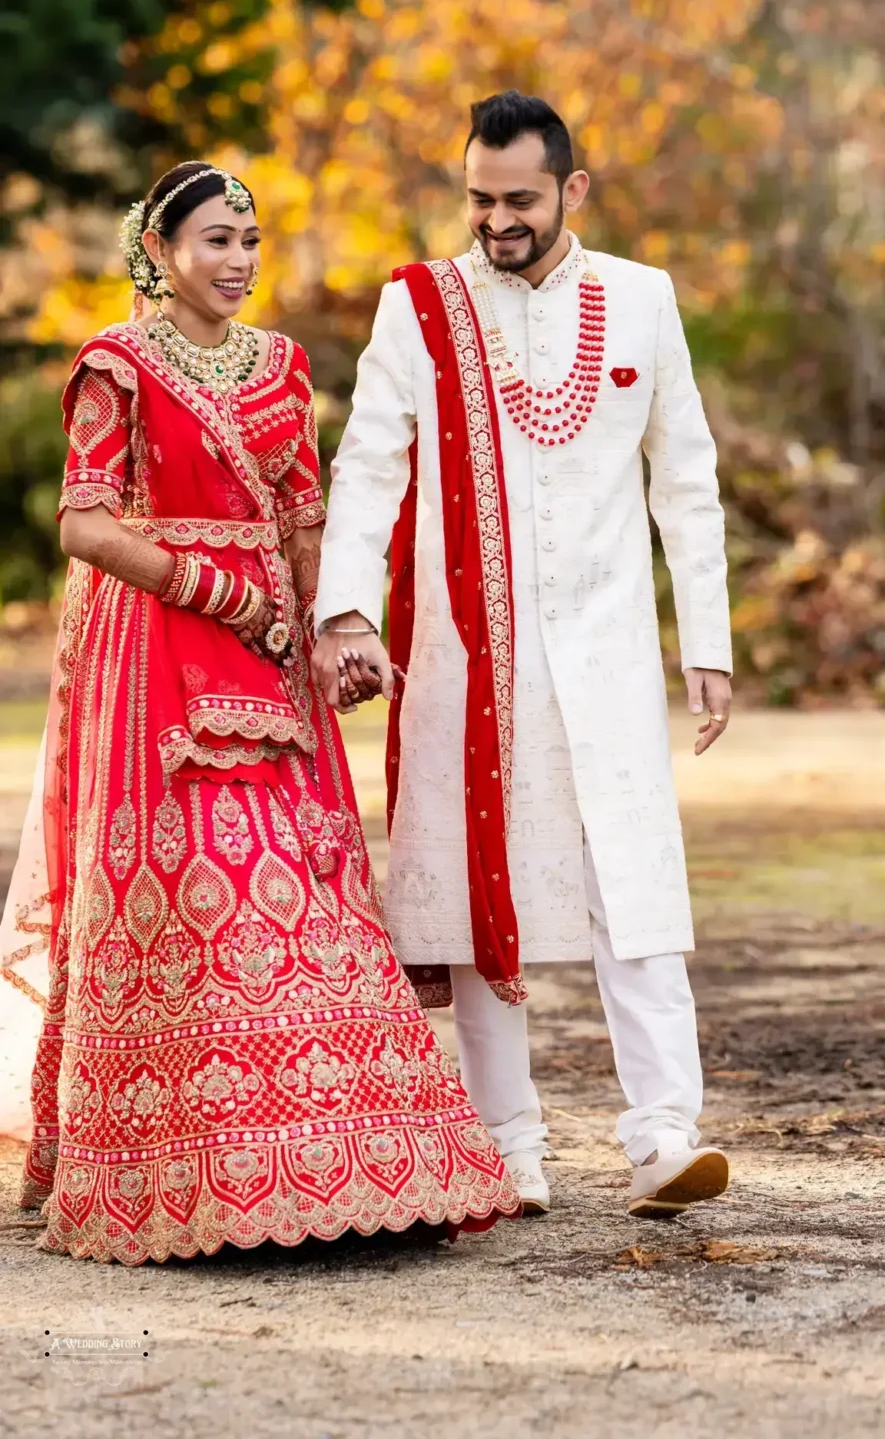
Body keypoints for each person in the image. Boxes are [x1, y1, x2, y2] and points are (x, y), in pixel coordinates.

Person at [0, 160, 519, 1263]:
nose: (237, 262)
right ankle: (182, 1174)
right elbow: (85, 527)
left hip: (273, 656)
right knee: (192, 883)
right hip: (155, 651)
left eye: (249, 241)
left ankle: (356, 1162)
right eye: (215, 242)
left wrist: (333, 632)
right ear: (160, 249)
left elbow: (301, 516)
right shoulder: (118, 367)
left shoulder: (282, 367)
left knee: (308, 887)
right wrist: (215, 588)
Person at [312, 92, 734, 1218]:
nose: (493, 221)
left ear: (572, 190)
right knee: (465, 885)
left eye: (517, 201)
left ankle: (662, 1136)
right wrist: (347, 610)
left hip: (604, 651)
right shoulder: (421, 309)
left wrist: (709, 642)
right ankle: (507, 1144)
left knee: (631, 883)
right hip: (461, 650)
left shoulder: (641, 301)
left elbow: (682, 479)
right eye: (477, 199)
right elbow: (368, 464)